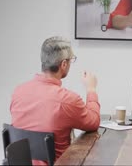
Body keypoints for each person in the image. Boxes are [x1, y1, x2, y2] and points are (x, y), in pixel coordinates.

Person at [10, 36, 100, 165]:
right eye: (71, 60)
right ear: (64, 64)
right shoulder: (67, 100)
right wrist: (91, 89)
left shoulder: (18, 92)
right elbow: (94, 122)